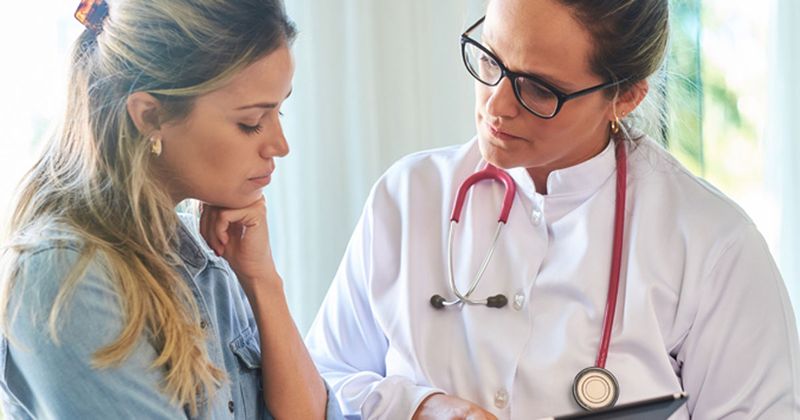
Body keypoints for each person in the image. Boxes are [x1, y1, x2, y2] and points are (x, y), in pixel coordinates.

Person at [304, 0, 800, 418]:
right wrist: (422, 407)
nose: (497, 105)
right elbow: (320, 379)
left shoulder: (715, 247)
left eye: (539, 88)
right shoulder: (408, 197)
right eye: (490, 60)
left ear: (624, 97)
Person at [0, 0, 342, 418]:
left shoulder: (207, 264)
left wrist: (262, 281)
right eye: (251, 121)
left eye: (279, 110)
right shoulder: (66, 277)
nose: (280, 145)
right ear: (150, 115)